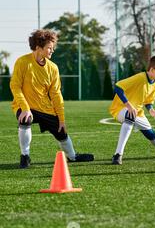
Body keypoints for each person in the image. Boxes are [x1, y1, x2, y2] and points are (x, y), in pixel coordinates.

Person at [10, 29, 94, 169]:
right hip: (24, 107)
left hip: (44, 107)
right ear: (38, 47)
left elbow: (56, 94)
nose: (52, 51)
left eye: (53, 48)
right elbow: (15, 87)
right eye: (49, 48)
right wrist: (25, 108)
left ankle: (73, 157)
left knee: (61, 131)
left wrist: (61, 119)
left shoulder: (53, 68)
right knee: (25, 119)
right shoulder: (22, 62)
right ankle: (25, 156)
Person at [109, 55, 155, 165]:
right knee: (130, 115)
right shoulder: (140, 77)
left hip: (137, 111)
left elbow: (148, 101)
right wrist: (128, 105)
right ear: (152, 70)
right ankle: (117, 155)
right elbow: (118, 87)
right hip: (119, 109)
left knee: (150, 132)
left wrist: (150, 109)